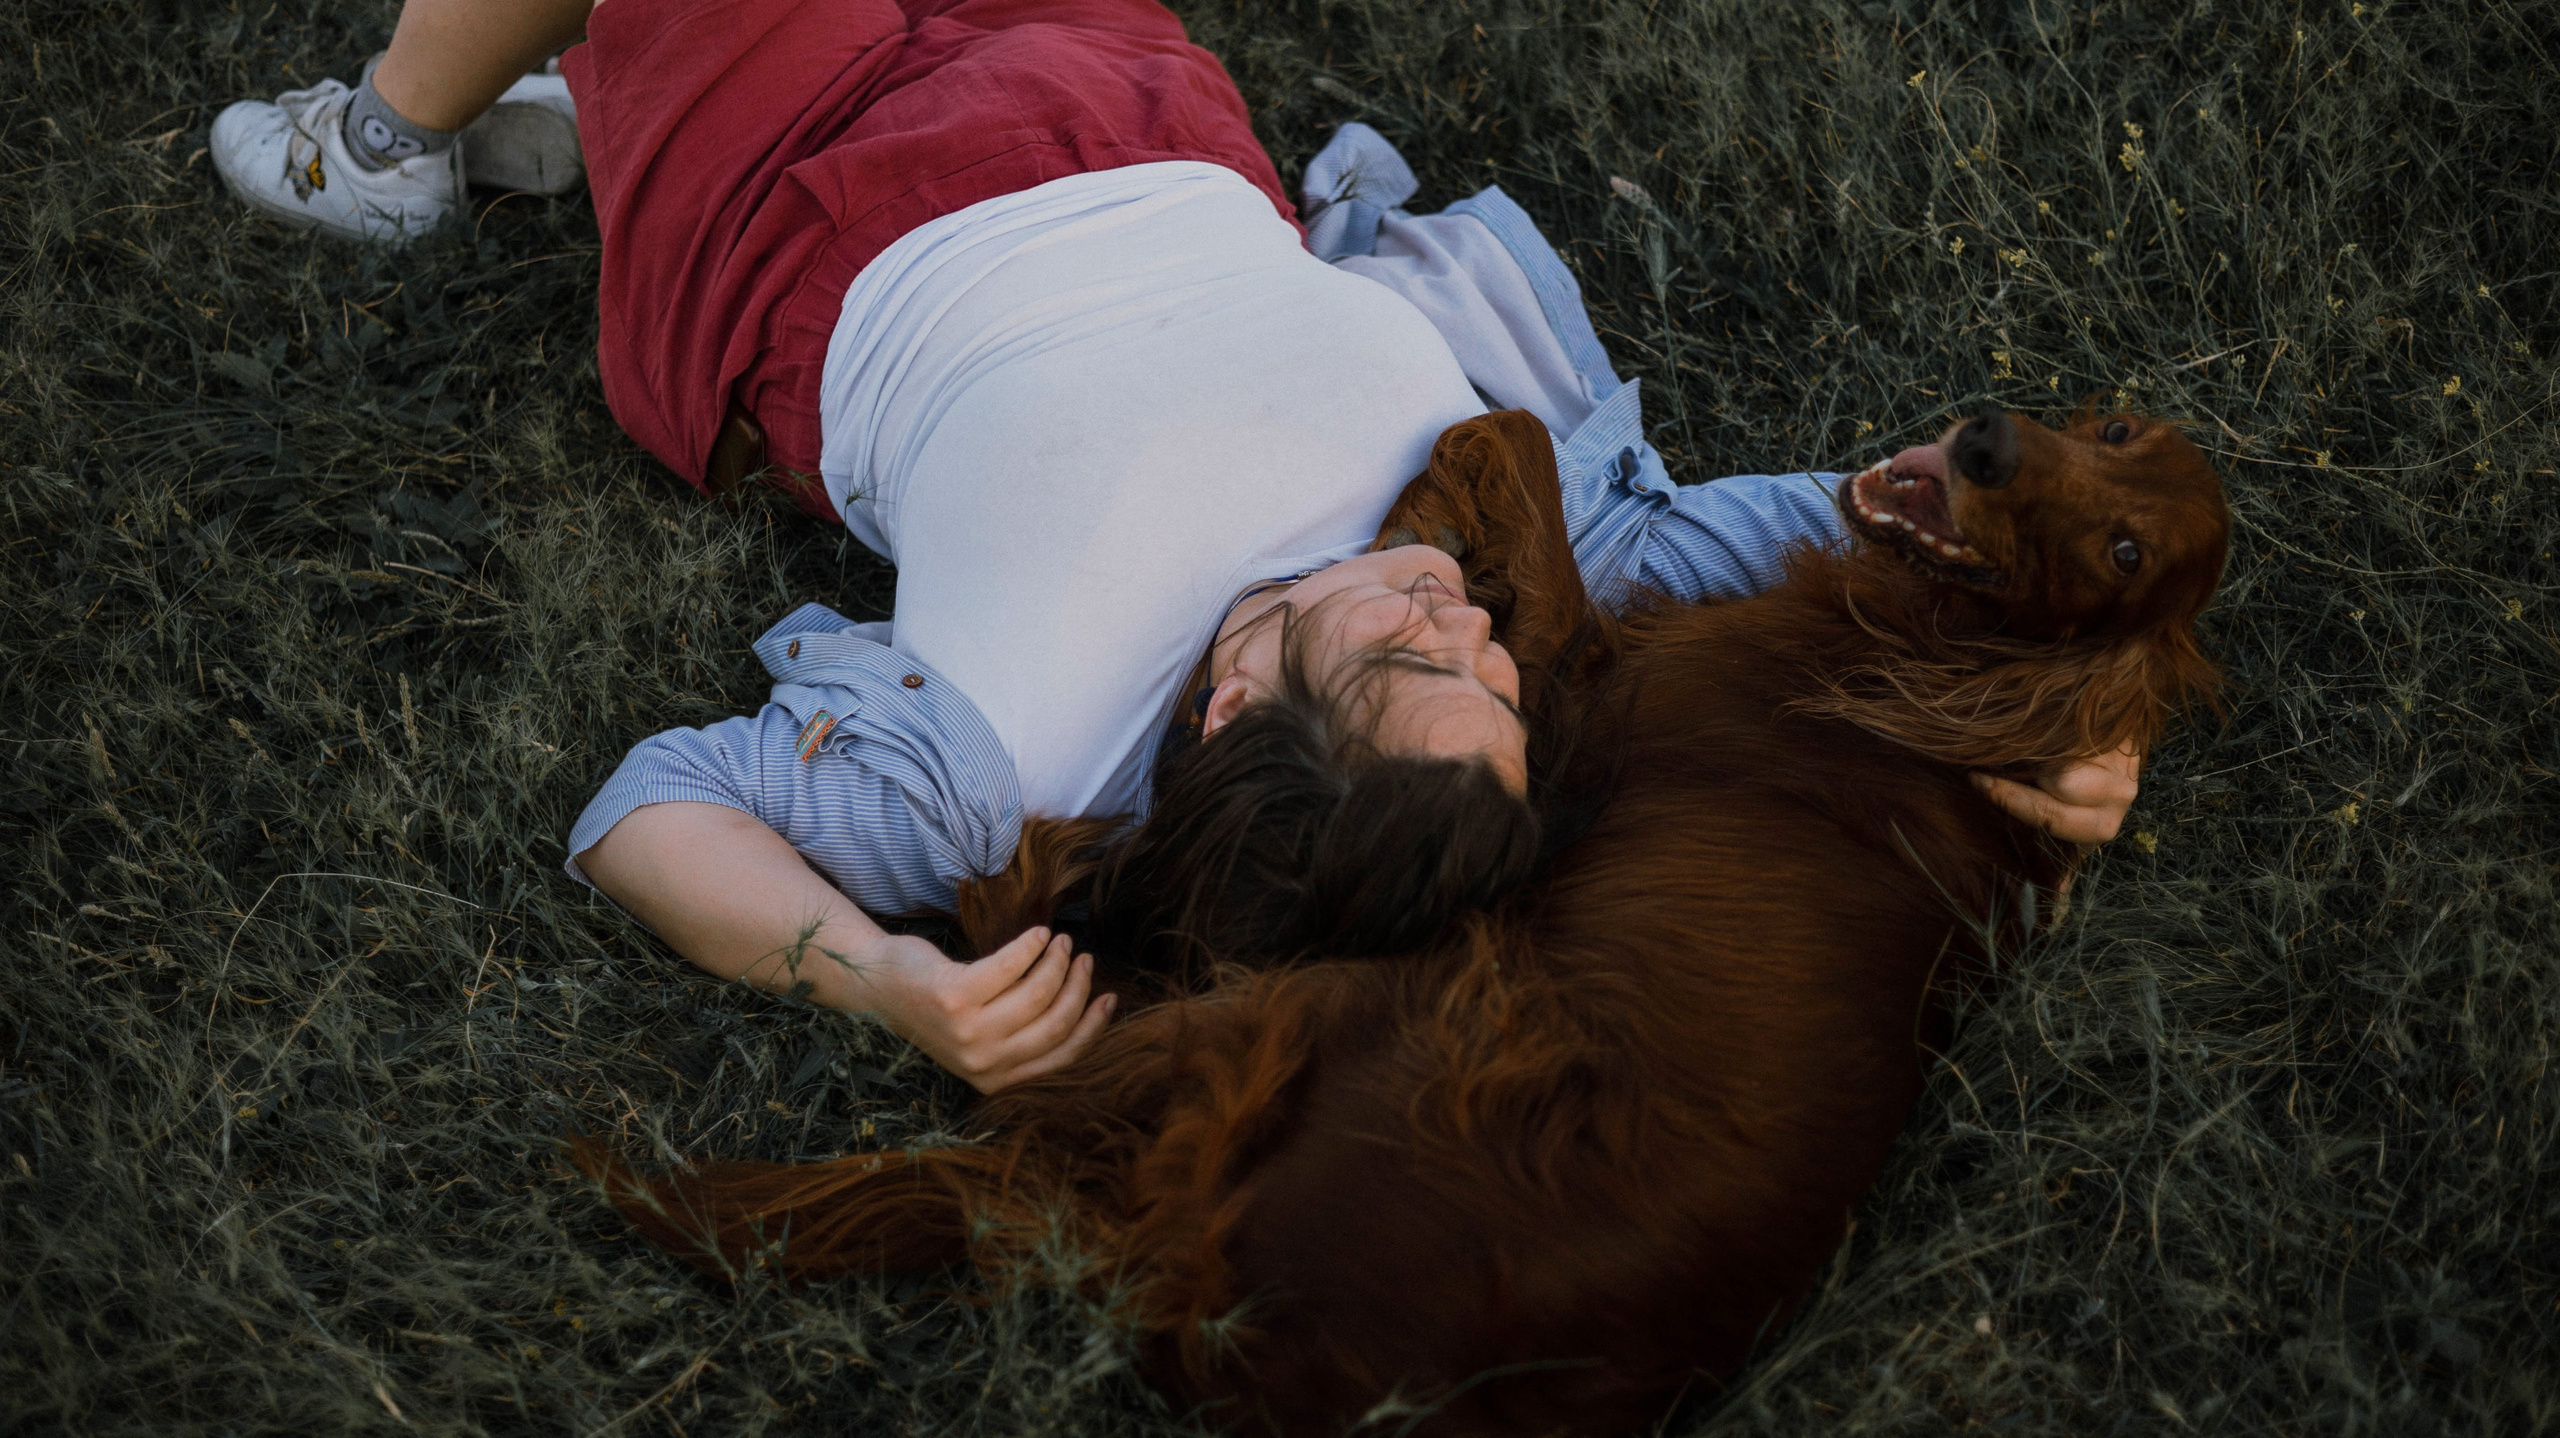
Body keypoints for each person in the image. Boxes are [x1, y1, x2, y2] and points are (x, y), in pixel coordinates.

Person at [212, 0, 2146, 1095]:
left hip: (821, 206)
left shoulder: (1019, 750)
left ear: (1236, 696)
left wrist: (883, 980)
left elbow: (645, 810)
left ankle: (389, 141)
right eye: (1489, 672)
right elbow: (1762, 539)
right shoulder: (1492, 559)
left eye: (1412, 657)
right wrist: (2013, 681)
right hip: (1113, 95)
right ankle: (588, 65)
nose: (1465, 613)